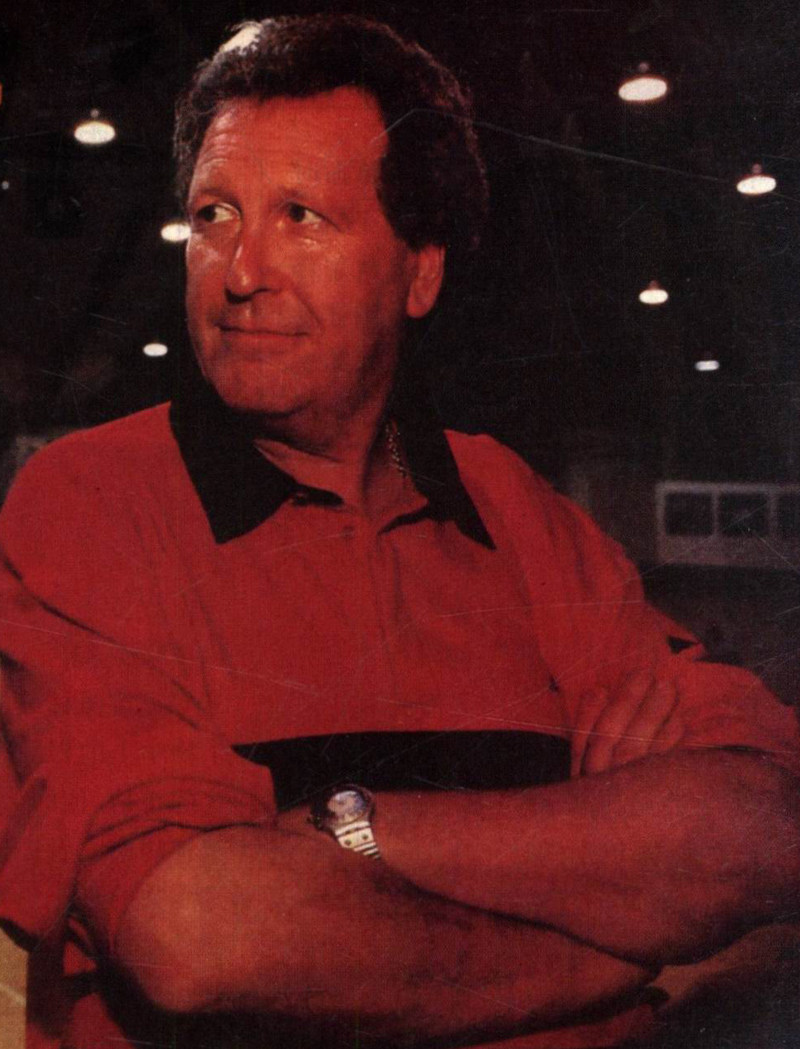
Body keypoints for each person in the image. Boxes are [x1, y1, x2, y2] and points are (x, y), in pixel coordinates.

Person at [0, 14, 798, 1049]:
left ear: (419, 272)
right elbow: (197, 934)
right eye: (213, 214)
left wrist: (350, 826)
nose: (240, 270)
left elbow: (760, 821)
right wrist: (602, 946)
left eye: (300, 216)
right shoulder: (90, 502)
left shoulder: (513, 508)